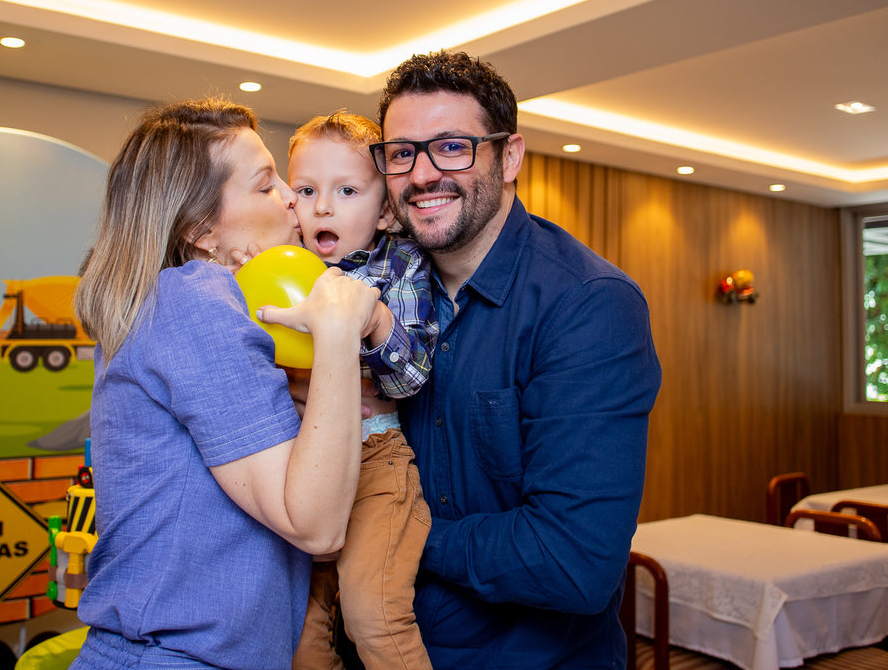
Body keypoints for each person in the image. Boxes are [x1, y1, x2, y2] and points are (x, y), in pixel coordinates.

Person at [374, 51, 661, 669]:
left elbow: (573, 560)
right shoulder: (374, 291)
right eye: (401, 153)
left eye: (452, 147)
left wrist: (388, 532)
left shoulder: (587, 304)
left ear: (509, 158)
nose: (421, 175)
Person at [71, 99, 379, 670]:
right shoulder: (194, 300)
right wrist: (339, 328)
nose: (292, 198)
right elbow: (317, 526)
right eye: (266, 186)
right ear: (201, 228)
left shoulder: (172, 301)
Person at [286, 112, 436, 670]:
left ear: (386, 211)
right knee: (297, 632)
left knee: (373, 616)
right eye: (306, 191)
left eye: (346, 191)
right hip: (299, 465)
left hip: (375, 460)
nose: (322, 207)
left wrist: (371, 320)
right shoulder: (277, 263)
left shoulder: (399, 265)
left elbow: (412, 376)